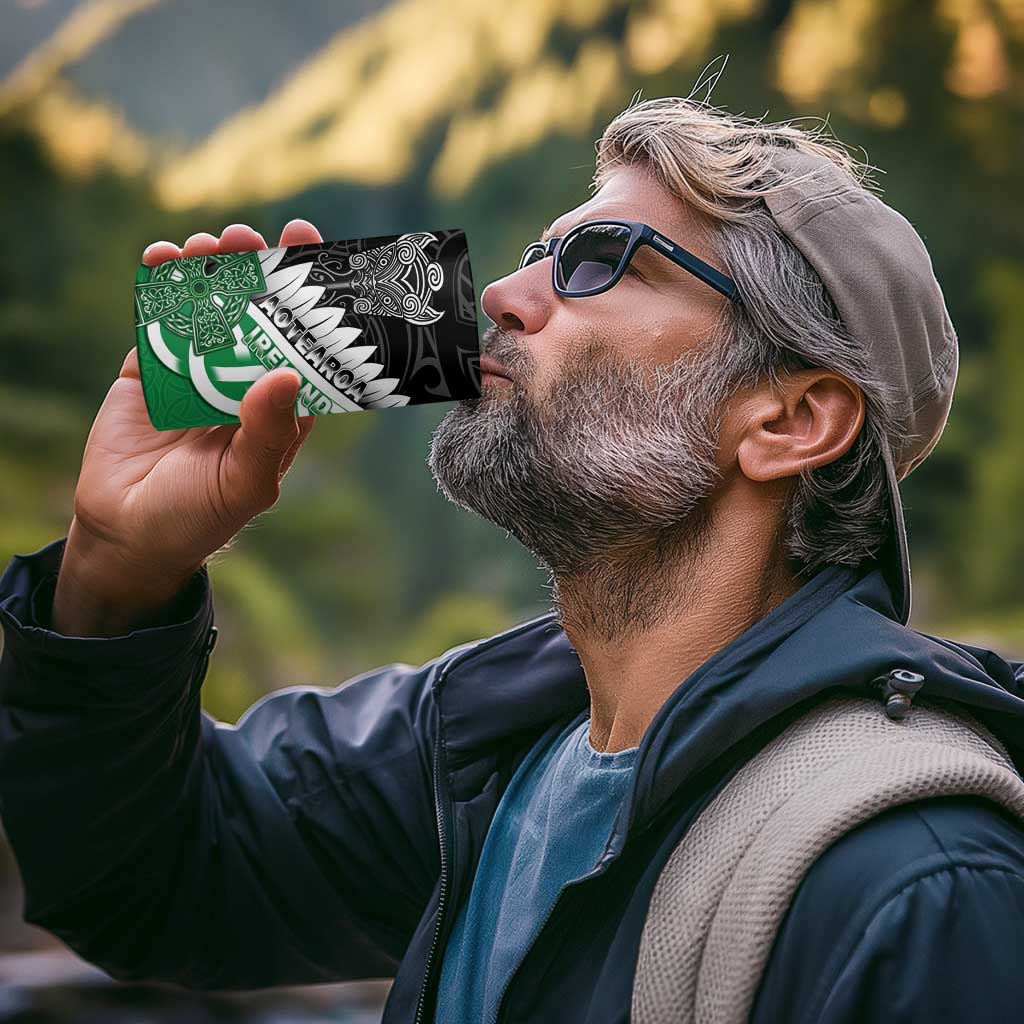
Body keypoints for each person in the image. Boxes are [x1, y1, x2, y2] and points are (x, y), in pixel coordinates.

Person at [2, 94, 1024, 1024]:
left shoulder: (918, 883)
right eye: (539, 251)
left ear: (790, 419)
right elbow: (149, 880)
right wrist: (115, 572)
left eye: (599, 261)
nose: (499, 291)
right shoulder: (480, 748)